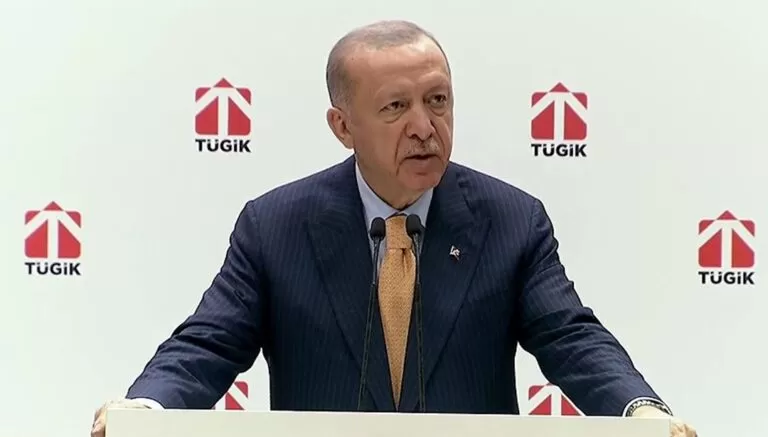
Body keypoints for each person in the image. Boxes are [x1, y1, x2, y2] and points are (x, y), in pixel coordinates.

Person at [91, 20, 697, 437]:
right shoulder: (275, 226)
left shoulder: (513, 220)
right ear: (342, 126)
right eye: (395, 107)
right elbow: (207, 344)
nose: (425, 127)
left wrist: (640, 411)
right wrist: (145, 411)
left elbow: (572, 339)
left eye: (438, 101)